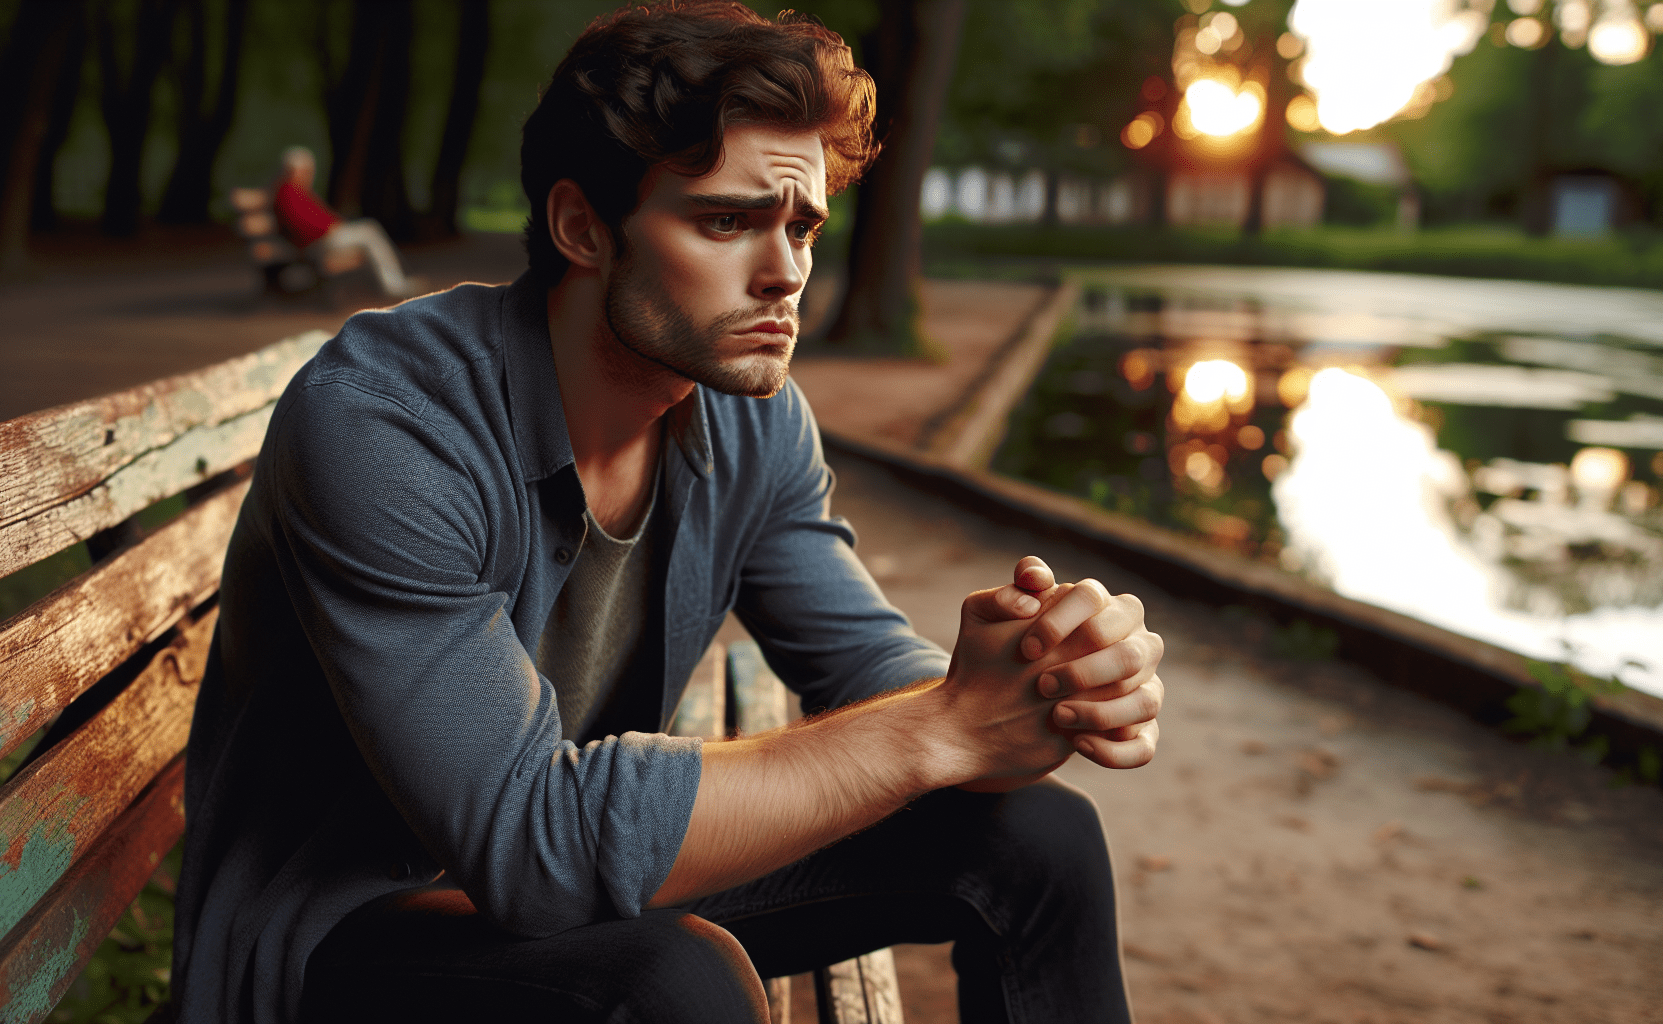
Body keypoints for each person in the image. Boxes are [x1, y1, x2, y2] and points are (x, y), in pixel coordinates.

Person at [172, 4, 1165, 1022]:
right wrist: (942, 728)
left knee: (1038, 839)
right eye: (726, 222)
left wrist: (1030, 683)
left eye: (802, 227)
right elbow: (527, 842)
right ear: (581, 228)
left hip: (566, 875)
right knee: (674, 984)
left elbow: (868, 665)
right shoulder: (390, 423)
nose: (786, 273)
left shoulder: (752, 419)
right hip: (340, 938)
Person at [272, 146, 420, 298]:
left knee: (370, 230)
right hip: (319, 242)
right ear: (294, 171)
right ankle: (394, 285)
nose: (309, 175)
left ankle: (394, 283)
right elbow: (302, 225)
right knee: (370, 231)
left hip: (324, 238)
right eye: (306, 171)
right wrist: (330, 228)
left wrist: (334, 225)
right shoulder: (289, 193)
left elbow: (319, 217)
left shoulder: (297, 191)